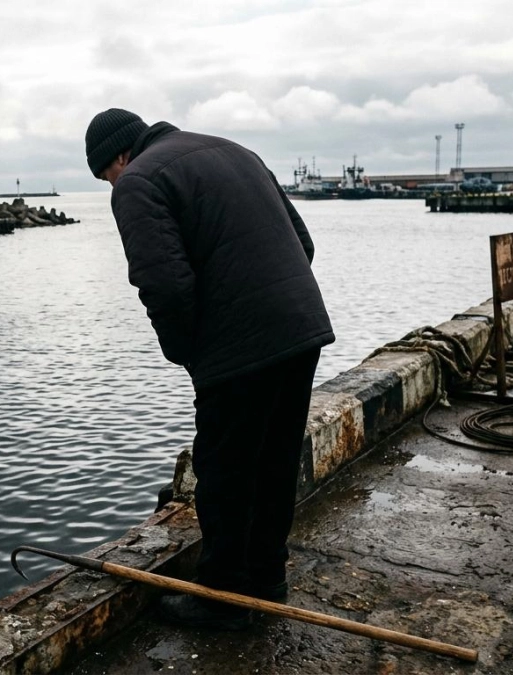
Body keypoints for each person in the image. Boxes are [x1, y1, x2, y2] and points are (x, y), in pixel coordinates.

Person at [84, 108, 335, 630]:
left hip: (239, 346)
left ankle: (221, 598)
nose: (113, 184)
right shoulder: (236, 151)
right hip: (301, 326)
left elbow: (164, 284)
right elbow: (303, 244)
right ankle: (267, 582)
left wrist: (187, 352)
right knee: (274, 461)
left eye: (106, 175)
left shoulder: (137, 181)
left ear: (119, 158)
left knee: (224, 471)